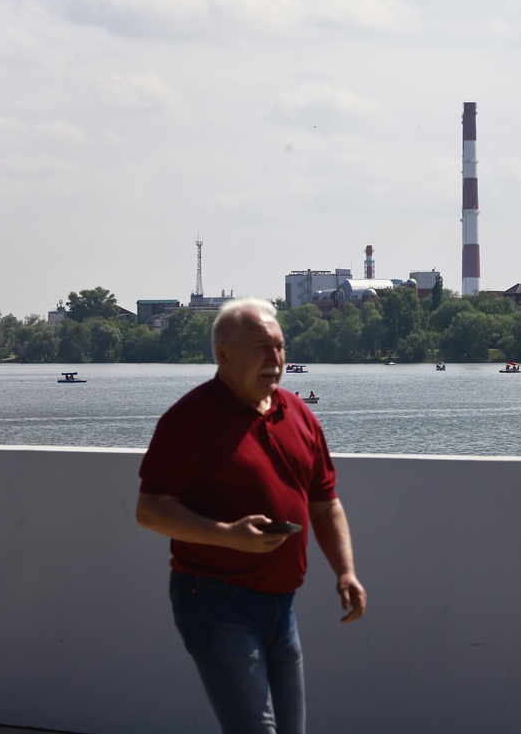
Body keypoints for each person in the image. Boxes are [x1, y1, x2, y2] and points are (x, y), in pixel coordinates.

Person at [135, 297, 366, 734]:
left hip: (282, 603)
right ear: (223, 354)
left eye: (279, 347)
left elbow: (325, 503)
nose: (275, 359)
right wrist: (228, 534)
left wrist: (346, 571)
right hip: (215, 600)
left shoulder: (298, 414)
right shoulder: (191, 419)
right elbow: (150, 510)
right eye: (261, 348)